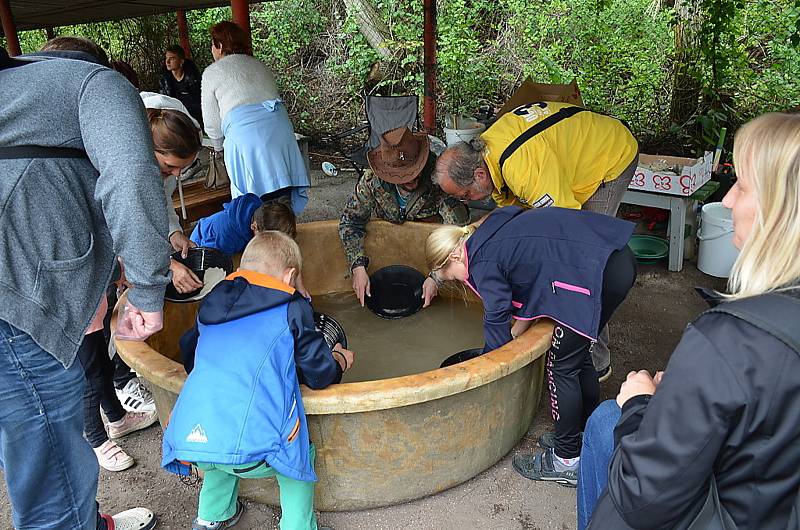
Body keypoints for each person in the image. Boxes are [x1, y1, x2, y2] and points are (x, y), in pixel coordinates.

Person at [577, 112, 800, 530]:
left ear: (785, 210)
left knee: (608, 419)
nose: (728, 201)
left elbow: (642, 495)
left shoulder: (732, 338)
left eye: (744, 187)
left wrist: (641, 403)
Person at [1, 37, 167, 529]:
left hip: (24, 288)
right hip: (17, 308)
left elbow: (44, 205)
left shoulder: (17, 92)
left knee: (31, 445)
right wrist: (146, 289)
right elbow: (129, 176)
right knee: (53, 456)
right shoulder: (94, 85)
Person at [426, 206, 636, 486]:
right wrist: (516, 332)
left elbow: (496, 314)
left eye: (451, 275)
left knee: (560, 367)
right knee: (577, 358)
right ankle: (582, 435)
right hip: (613, 259)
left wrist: (491, 363)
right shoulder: (489, 229)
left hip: (596, 273)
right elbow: (526, 282)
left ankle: (566, 461)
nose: (457, 280)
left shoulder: (482, 262)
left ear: (454, 255)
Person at [435, 101, 639, 382]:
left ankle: (594, 358)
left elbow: (568, 230)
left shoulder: (522, 169)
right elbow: (511, 216)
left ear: (478, 175)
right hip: (570, 159)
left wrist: (522, 319)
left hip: (609, 156)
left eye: (466, 194)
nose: (467, 201)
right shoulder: (488, 157)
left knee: (587, 264)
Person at [163, 231, 354, 530]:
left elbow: (191, 352)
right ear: (289, 276)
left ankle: (211, 516)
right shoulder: (292, 307)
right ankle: (298, 526)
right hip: (256, 454)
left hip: (192, 442)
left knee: (221, 430)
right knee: (297, 453)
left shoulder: (212, 301)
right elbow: (319, 373)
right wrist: (339, 358)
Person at [339, 127, 469, 307]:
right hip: (389, 253)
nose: (411, 179)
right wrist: (358, 266)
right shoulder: (371, 182)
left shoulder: (440, 180)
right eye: (402, 175)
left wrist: (437, 277)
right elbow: (350, 221)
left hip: (430, 254)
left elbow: (458, 231)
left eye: (414, 171)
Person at [201, 21, 310, 214]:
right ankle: (286, 233)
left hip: (246, 139)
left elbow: (212, 125)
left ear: (219, 46)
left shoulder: (212, 72)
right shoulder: (259, 65)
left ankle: (261, 239)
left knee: (252, 207)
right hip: (280, 133)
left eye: (212, 44)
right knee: (281, 196)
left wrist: (218, 150)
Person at [140, 92, 205, 294]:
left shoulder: (173, 125)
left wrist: (174, 233)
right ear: (147, 149)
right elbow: (130, 231)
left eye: (183, 168)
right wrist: (168, 265)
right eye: (170, 166)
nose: (177, 174)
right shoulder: (127, 167)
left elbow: (162, 197)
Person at [191, 194, 297, 256]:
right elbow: (210, 260)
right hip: (200, 246)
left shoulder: (261, 213)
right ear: (254, 227)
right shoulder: (227, 238)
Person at [160, 44, 203, 126]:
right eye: (166, 58)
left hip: (195, 119)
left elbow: (198, 104)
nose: (167, 62)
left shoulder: (193, 79)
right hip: (173, 119)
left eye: (172, 58)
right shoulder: (164, 79)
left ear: (181, 61)